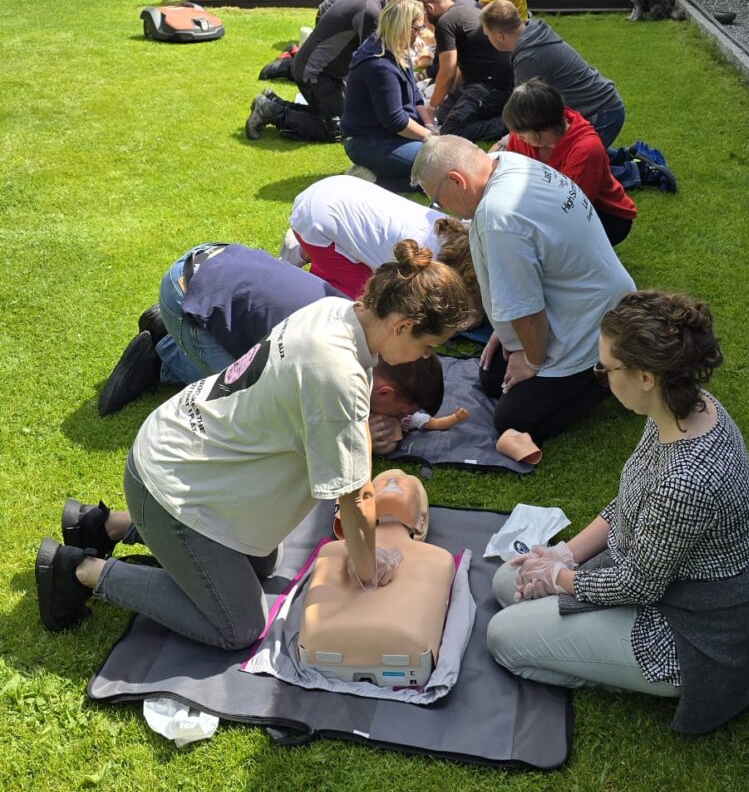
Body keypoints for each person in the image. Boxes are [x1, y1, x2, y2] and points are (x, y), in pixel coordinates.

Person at [36, 244, 474, 644]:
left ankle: (105, 525)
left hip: (185, 456)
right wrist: (368, 574)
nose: (425, 357)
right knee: (238, 624)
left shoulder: (337, 312)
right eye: (428, 345)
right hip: (171, 481)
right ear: (403, 326)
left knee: (262, 561)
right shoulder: (336, 370)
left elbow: (342, 431)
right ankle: (79, 570)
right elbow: (355, 497)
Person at [487, 290, 749, 735]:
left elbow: (639, 583)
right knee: (507, 581)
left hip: (689, 628)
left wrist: (557, 577)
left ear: (645, 377)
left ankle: (622, 674)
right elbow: (628, 500)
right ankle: (582, 639)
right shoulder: (681, 410)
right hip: (651, 576)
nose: (599, 375)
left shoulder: (686, 480)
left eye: (606, 368)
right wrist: (562, 557)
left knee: (502, 637)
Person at [97, 243, 445, 443]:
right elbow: (295, 426)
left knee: (258, 364)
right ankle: (165, 355)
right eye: (402, 414)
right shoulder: (335, 356)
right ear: (385, 392)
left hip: (214, 258)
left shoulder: (367, 318)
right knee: (247, 408)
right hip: (187, 285)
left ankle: (172, 336)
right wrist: (364, 435)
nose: (426, 352)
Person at [412, 136, 635, 442]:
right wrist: (504, 332)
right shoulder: (510, 164)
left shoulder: (498, 216)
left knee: (514, 421)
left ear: (456, 181)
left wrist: (531, 359)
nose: (441, 208)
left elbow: (528, 313)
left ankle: (606, 373)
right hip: (581, 300)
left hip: (590, 323)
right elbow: (525, 278)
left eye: (436, 199)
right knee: (492, 377)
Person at [245, 0, 426, 143]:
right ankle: (271, 110)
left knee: (343, 118)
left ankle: (273, 103)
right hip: (316, 74)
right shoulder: (372, 12)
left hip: (325, 71)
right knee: (342, 129)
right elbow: (375, 65)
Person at [286, 173, 485, 317]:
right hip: (317, 217)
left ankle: (313, 250)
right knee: (368, 304)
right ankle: (305, 259)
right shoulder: (428, 267)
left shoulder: (457, 228)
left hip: (336, 191)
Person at [500, 80, 637, 247]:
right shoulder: (522, 137)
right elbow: (508, 175)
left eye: (521, 132)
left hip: (603, 214)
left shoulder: (586, 149)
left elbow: (571, 208)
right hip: (550, 204)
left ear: (544, 129)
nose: (515, 136)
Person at [480, 0, 625, 148]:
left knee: (570, 164)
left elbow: (522, 112)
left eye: (487, 35)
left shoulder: (529, 58)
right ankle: (628, 160)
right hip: (605, 105)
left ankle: (632, 169)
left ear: (499, 36)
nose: (488, 39)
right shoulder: (534, 33)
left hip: (601, 113)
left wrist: (505, 141)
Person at [341, 0, 435, 190]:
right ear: (403, 27)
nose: (420, 34)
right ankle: (370, 180)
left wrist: (429, 125)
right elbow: (395, 120)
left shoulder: (396, 49)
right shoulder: (380, 65)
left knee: (442, 157)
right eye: (418, 28)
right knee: (437, 165)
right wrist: (430, 138)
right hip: (369, 141)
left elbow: (415, 95)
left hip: (391, 135)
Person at [424, 0, 515, 142]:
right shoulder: (464, 10)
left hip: (492, 86)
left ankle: (509, 124)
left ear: (430, 8)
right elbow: (460, 67)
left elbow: (447, 72)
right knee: (444, 116)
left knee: (451, 130)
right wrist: (453, 98)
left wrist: (431, 108)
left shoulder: (445, 23)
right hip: (493, 80)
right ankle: (496, 112)